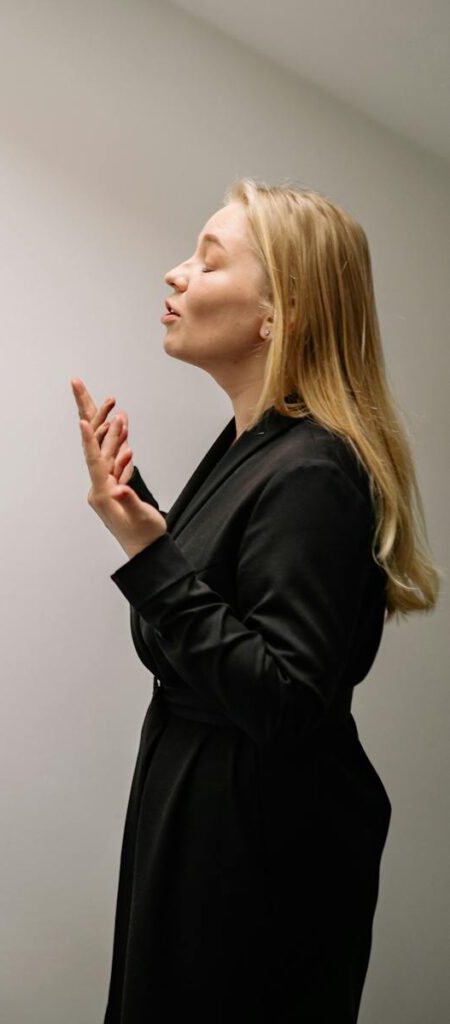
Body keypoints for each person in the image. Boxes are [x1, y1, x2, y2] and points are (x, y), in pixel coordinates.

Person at [72, 180, 439, 1024]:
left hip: (257, 850)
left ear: (282, 313)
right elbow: (219, 605)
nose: (176, 275)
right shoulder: (260, 444)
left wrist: (147, 553)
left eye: (208, 262)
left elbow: (285, 696)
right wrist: (140, 514)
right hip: (207, 815)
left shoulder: (314, 468)